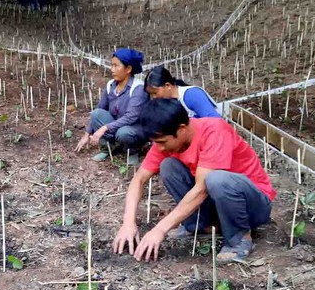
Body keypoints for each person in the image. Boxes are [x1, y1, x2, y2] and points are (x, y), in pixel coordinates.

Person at [112, 98, 276, 263]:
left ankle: (239, 239)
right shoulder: (165, 139)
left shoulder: (214, 131)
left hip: (253, 207)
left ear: (182, 129)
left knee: (216, 179)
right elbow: (139, 179)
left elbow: (201, 190)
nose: (159, 147)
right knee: (168, 166)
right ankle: (200, 225)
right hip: (218, 202)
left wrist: (160, 229)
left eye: (162, 142)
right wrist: (128, 223)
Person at [75, 48, 148, 165]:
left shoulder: (138, 88)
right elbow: (100, 109)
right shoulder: (111, 85)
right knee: (96, 113)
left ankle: (133, 151)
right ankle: (108, 148)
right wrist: (87, 134)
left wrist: (104, 128)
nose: (112, 69)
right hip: (117, 124)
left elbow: (130, 118)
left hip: (134, 128)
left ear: (128, 69)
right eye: (111, 65)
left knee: (123, 132)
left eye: (116, 66)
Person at [144, 65, 221, 118]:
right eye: (150, 94)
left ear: (168, 86)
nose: (153, 97)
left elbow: (215, 122)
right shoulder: (162, 104)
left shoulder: (192, 95)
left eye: (155, 93)